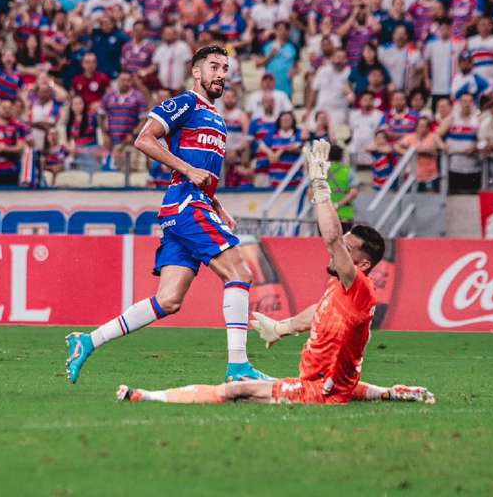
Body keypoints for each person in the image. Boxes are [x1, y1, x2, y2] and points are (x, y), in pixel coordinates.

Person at [116, 140, 434, 406]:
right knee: (346, 385)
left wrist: (320, 184)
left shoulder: (358, 285)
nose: (337, 253)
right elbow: (319, 314)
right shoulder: (342, 290)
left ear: (362, 265)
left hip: (316, 390)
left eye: (348, 252)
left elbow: (333, 237)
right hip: (332, 384)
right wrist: (282, 327)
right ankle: (392, 391)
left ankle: (144, 396)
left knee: (238, 388)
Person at [66, 45, 271, 384]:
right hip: (187, 205)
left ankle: (88, 341)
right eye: (214, 67)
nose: (221, 74)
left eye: (225, 68)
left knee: (169, 300)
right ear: (197, 72)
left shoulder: (217, 119)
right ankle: (238, 367)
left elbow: (202, 172)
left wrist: (218, 205)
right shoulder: (186, 103)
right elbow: (144, 140)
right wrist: (189, 171)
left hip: (189, 206)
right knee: (240, 272)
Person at [397, 115, 442, 192]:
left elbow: (442, 148)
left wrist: (428, 150)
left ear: (428, 128)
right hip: (413, 175)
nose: (422, 128)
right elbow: (396, 146)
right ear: (416, 127)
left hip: (430, 176)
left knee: (430, 198)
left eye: (425, 126)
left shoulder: (434, 137)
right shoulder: (410, 137)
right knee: (411, 199)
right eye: (420, 126)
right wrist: (407, 153)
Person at [326, 143, 358, 229]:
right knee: (344, 241)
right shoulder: (348, 171)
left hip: (325, 214)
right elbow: (353, 193)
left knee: (324, 241)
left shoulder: (321, 171)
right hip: (345, 214)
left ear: (327, 155)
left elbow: (311, 192)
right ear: (341, 156)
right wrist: (337, 205)